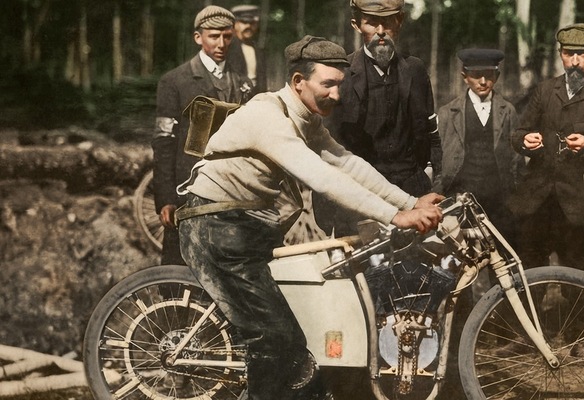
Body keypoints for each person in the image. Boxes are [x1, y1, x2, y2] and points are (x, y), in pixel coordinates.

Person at [176, 35, 443, 400]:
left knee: (297, 324)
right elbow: (322, 178)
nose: (337, 94)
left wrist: (411, 201)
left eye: (340, 85)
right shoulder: (267, 116)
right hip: (215, 227)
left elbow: (347, 164)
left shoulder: (306, 119)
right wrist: (395, 216)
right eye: (327, 84)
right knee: (273, 336)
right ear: (299, 81)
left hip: (246, 225)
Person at [511, 23, 584, 276]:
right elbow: (518, 135)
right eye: (567, 54)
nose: (574, 62)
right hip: (538, 203)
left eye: (582, 54)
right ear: (560, 54)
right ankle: (531, 304)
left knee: (580, 277)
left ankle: (579, 304)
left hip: (579, 207)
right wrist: (526, 141)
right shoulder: (544, 91)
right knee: (529, 275)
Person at [318, 0, 442, 235]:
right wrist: (329, 218)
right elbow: (327, 148)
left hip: (413, 191)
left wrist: (430, 177)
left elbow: (430, 133)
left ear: (400, 21)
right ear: (356, 25)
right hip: (360, 199)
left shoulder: (415, 70)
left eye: (388, 22)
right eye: (372, 23)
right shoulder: (341, 75)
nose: (381, 31)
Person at [152, 5, 253, 265]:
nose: (221, 43)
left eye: (227, 36)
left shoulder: (243, 83)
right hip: (188, 190)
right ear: (198, 37)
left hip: (233, 192)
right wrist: (165, 199)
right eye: (214, 36)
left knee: (229, 266)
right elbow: (163, 143)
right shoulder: (175, 81)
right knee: (180, 268)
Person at [435, 48, 524, 242]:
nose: (483, 82)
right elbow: (438, 159)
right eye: (476, 75)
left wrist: (517, 201)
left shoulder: (508, 111)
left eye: (489, 75)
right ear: (465, 77)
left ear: (497, 76)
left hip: (499, 200)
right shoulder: (448, 113)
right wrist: (439, 196)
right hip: (460, 199)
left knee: (502, 251)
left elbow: (516, 160)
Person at [228, 4, 268, 93]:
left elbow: (262, 81)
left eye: (252, 23)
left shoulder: (258, 49)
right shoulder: (227, 48)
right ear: (235, 24)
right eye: (244, 22)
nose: (249, 26)